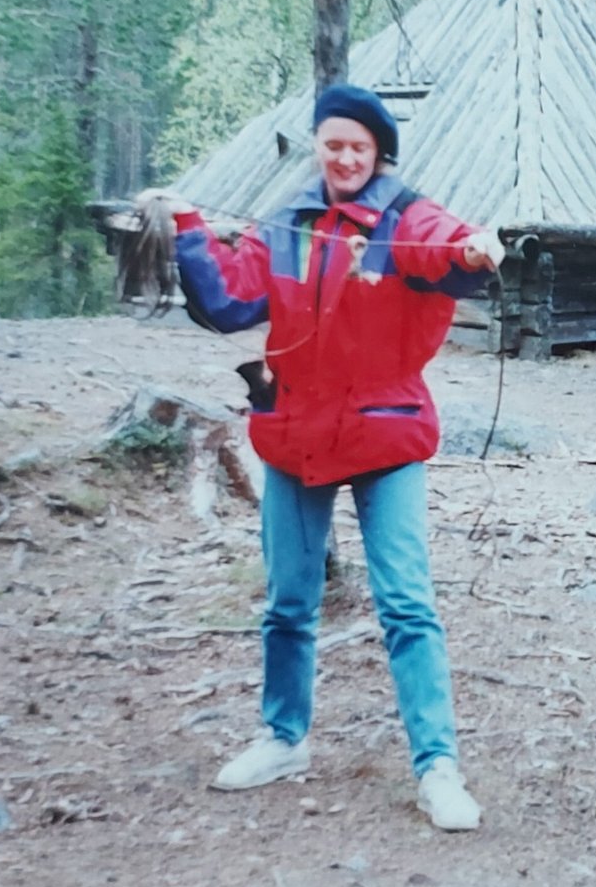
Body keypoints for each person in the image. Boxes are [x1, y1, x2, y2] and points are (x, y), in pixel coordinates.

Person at [136, 84, 504, 830]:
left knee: (406, 604)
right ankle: (282, 738)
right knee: (288, 601)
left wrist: (474, 248)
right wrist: (187, 225)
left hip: (386, 433)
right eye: (332, 144)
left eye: (358, 147)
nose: (344, 157)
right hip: (296, 432)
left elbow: (448, 253)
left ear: (378, 154)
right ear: (319, 147)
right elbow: (231, 303)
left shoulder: (406, 216)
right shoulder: (288, 220)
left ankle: (438, 769)